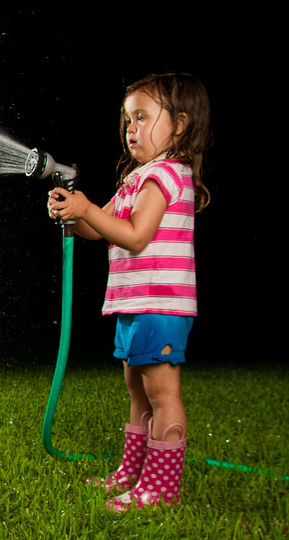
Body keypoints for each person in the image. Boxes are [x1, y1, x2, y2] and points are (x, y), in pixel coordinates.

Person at [48, 72, 211, 511]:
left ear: (178, 124)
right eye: (126, 120)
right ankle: (132, 472)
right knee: (137, 391)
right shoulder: (136, 178)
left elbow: (136, 236)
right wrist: (73, 212)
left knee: (162, 394)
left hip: (161, 303)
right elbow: (98, 230)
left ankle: (160, 490)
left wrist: (85, 211)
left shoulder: (165, 176)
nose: (130, 128)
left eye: (141, 117)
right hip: (134, 302)